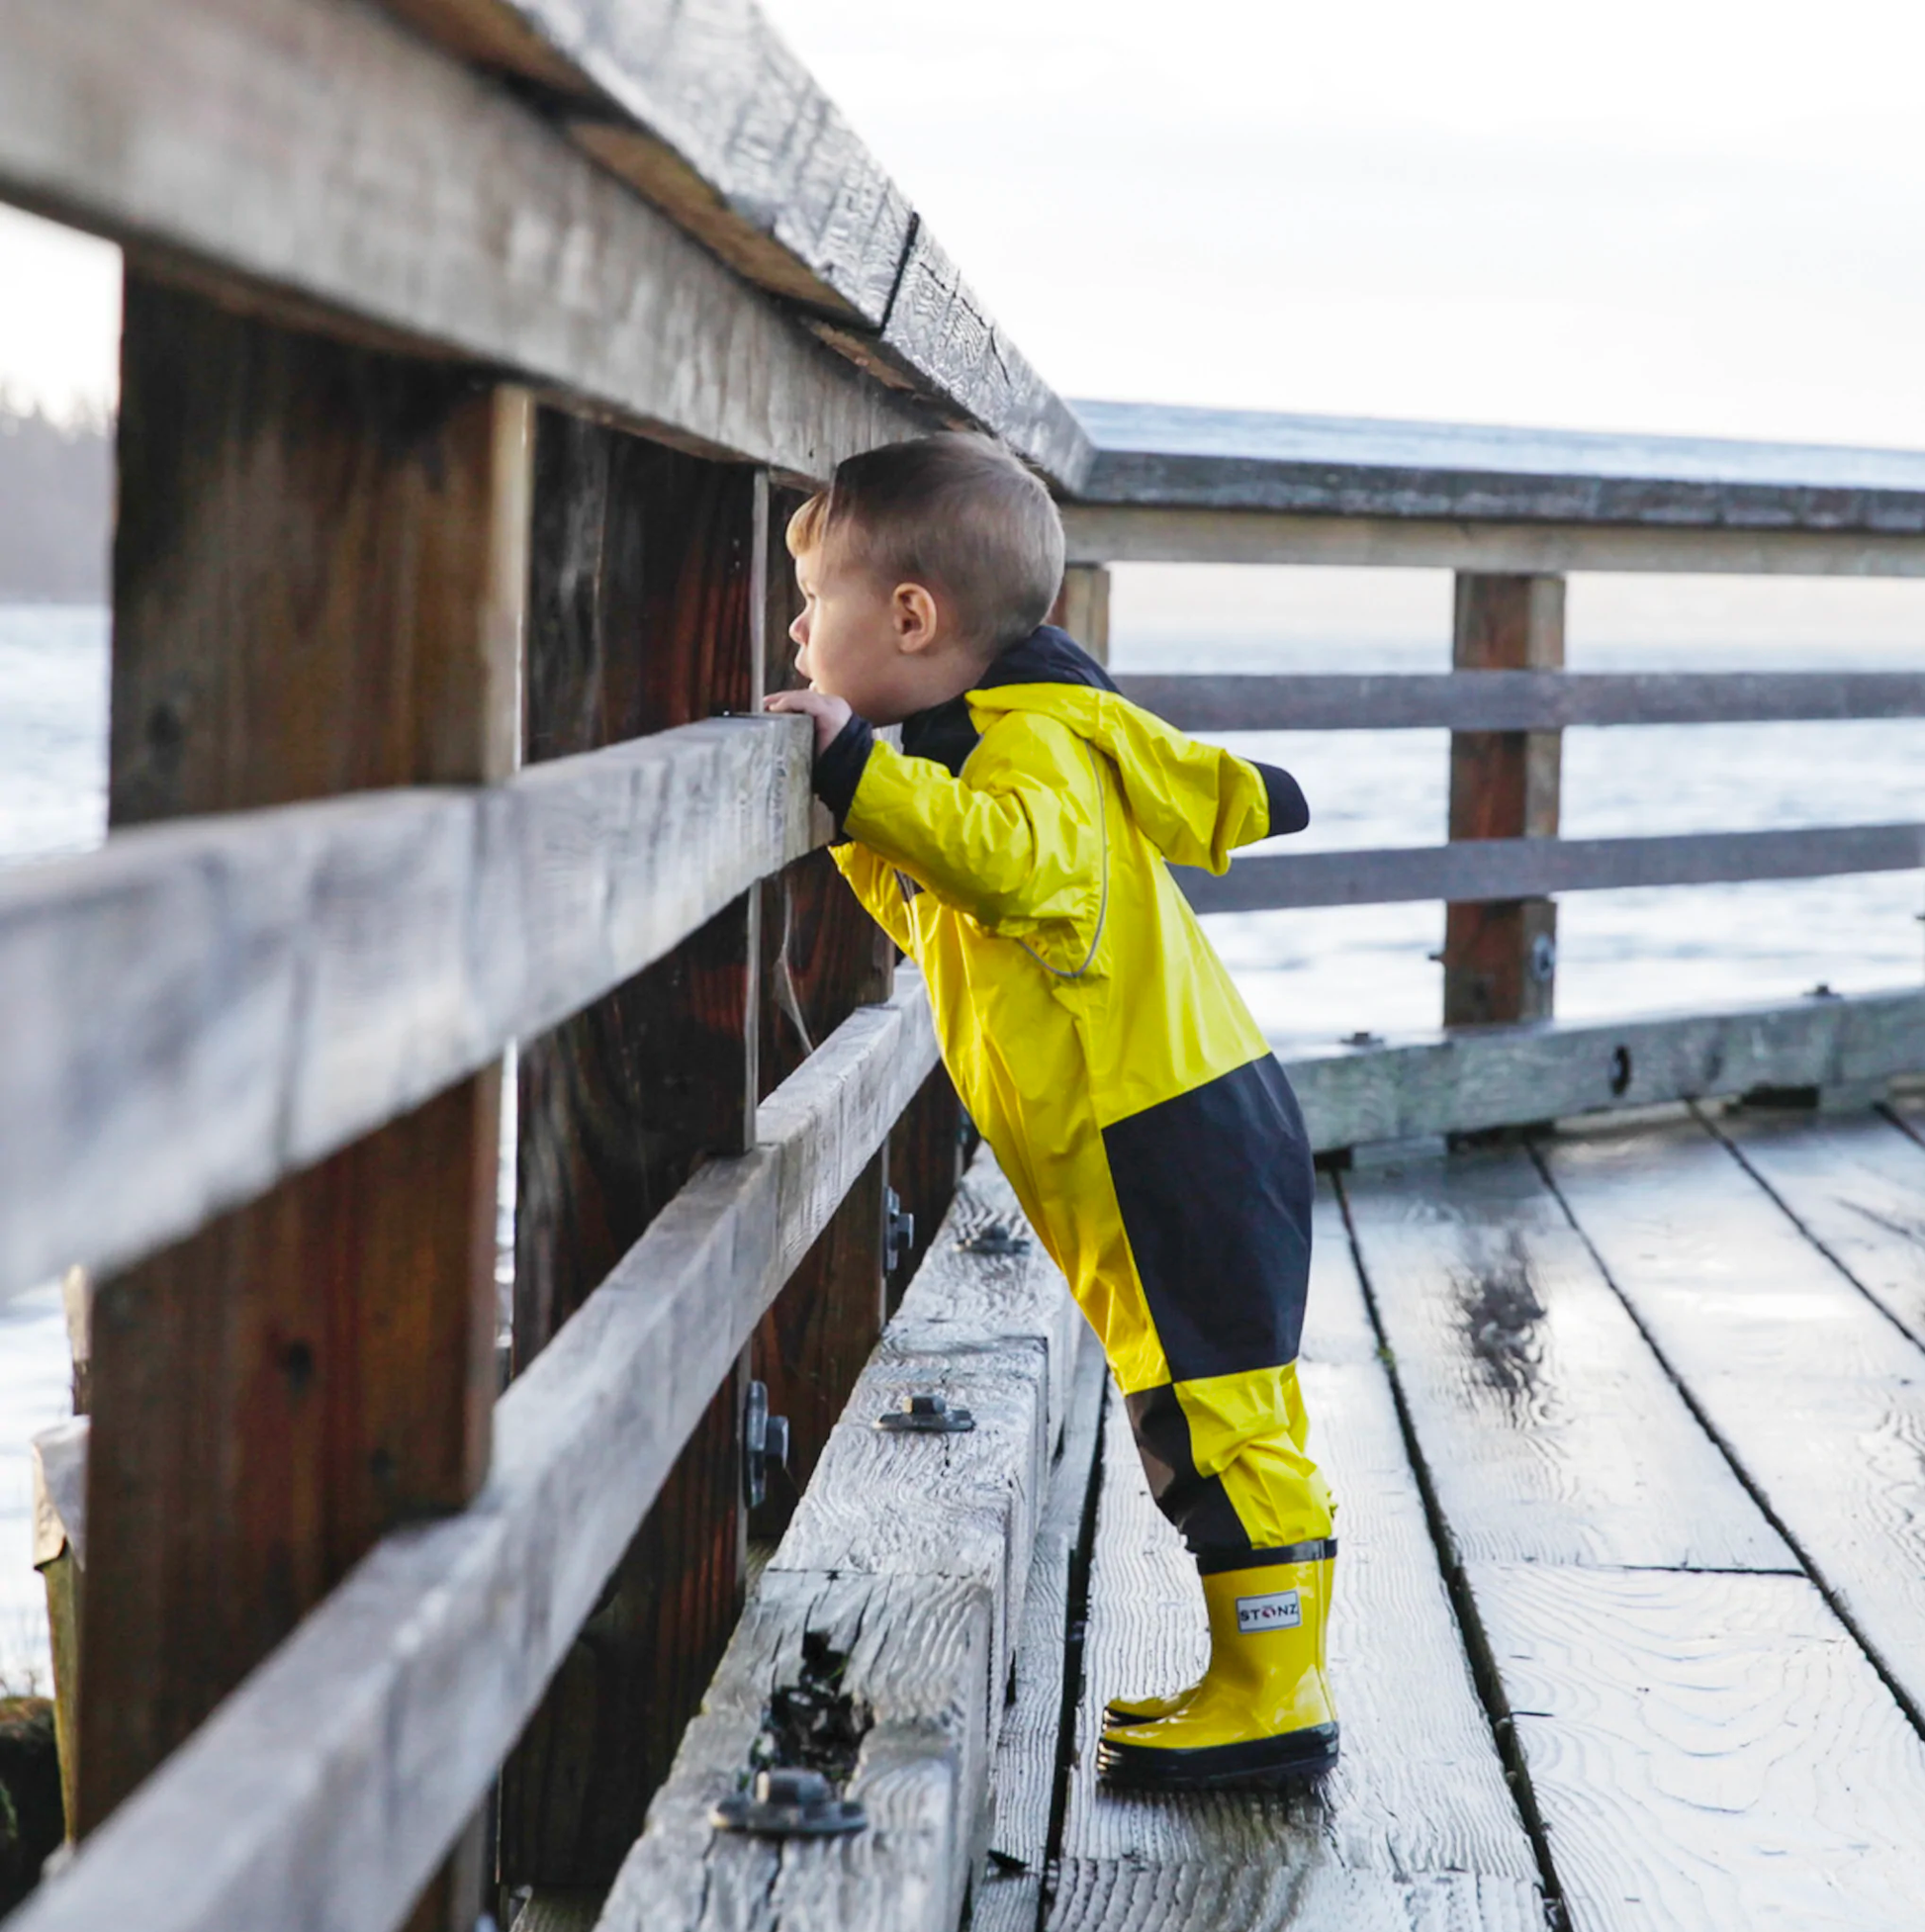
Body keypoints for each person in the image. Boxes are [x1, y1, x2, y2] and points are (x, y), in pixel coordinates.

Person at [765, 432, 1334, 1792]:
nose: (793, 627)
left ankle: (1273, 1695)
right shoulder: (992, 742)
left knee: (1210, 1414)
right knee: (1197, 1400)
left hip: (1165, 1137)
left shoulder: (1029, 750)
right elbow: (943, 903)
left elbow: (1009, 866)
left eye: (814, 602)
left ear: (909, 617)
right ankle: (1258, 1677)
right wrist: (866, 820)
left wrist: (852, 769)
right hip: (1152, 1128)